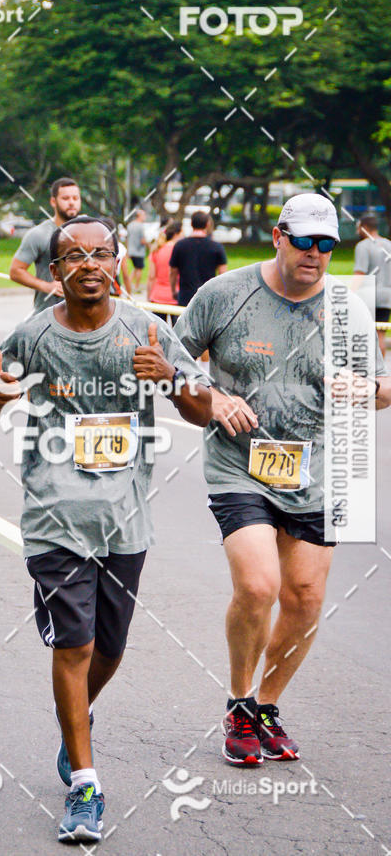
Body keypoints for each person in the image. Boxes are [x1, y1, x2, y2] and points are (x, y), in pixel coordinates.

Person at [0, 215, 211, 841]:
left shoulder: (147, 330)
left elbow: (202, 403)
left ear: (118, 263)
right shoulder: (32, 335)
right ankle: (85, 785)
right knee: (73, 647)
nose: (87, 265)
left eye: (99, 254)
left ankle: (73, 721)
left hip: (124, 519)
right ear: (55, 272)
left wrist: (173, 378)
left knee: (110, 648)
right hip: (54, 517)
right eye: (73, 256)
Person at [175, 192, 390, 766]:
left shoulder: (347, 310)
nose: (315, 255)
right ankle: (240, 703)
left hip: (316, 471)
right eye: (304, 242)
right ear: (278, 237)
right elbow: (174, 362)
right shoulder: (225, 294)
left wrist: (367, 391)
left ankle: (266, 707)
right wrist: (214, 397)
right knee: (259, 585)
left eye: (327, 245)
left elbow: (386, 386)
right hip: (238, 466)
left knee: (305, 598)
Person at [9, 178, 81, 312]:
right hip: (48, 315)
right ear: (53, 202)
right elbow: (15, 271)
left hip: (84, 316)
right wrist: (47, 286)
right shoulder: (39, 234)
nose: (71, 202)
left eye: (75, 198)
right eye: (65, 198)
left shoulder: (89, 233)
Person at [169, 210, 227, 307]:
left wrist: (173, 290)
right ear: (207, 224)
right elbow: (223, 274)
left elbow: (173, 272)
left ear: (191, 224)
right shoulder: (216, 247)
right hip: (208, 297)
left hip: (185, 296)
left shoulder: (180, 245)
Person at [353, 213, 391, 356]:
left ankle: (368, 371)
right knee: (380, 335)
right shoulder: (389, 244)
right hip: (386, 296)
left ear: (364, 227)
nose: (357, 232)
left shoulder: (363, 246)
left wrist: (350, 294)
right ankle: (381, 374)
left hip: (368, 296)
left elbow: (360, 273)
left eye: (358, 228)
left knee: (364, 335)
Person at [147, 220, 182, 321]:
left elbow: (151, 276)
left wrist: (149, 296)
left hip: (158, 296)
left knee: (159, 331)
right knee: (177, 333)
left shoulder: (157, 250)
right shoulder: (179, 250)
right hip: (175, 295)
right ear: (176, 234)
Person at [126, 208, 148, 294]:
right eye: (144, 215)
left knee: (135, 268)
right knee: (139, 269)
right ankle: (137, 286)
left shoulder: (130, 225)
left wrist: (128, 250)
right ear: (139, 216)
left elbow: (128, 238)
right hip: (139, 251)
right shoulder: (141, 226)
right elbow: (142, 240)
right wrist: (149, 244)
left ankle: (129, 284)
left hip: (131, 250)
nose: (145, 217)